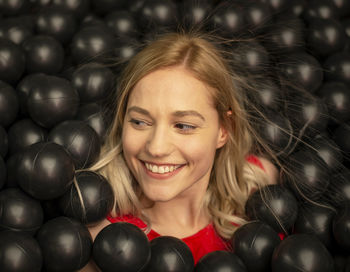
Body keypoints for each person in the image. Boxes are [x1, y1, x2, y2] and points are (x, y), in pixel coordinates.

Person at [80, 31, 279, 271]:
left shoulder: (260, 184)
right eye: (140, 122)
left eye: (184, 126)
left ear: (224, 130)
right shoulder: (103, 245)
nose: (156, 147)